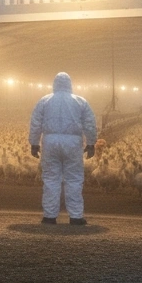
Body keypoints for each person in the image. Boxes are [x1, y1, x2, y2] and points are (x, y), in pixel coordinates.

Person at [28, 72, 98, 225]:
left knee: (51, 179)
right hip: (73, 142)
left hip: (50, 140)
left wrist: (34, 143)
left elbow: (35, 122)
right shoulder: (80, 101)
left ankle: (49, 216)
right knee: (74, 178)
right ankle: (76, 216)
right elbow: (90, 124)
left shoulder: (44, 101)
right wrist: (91, 143)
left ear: (54, 84)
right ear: (70, 84)